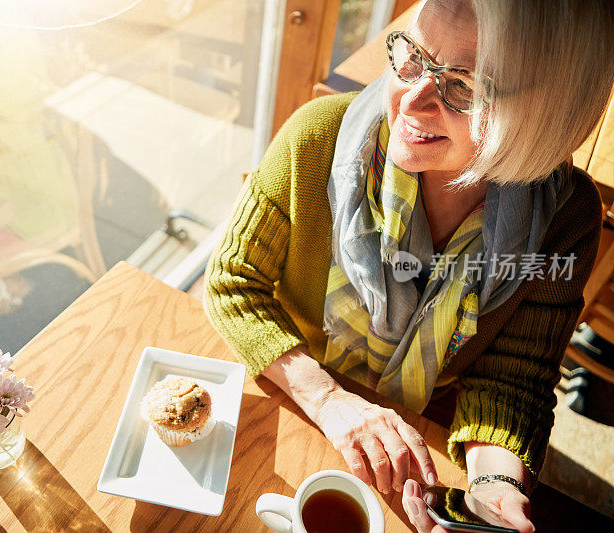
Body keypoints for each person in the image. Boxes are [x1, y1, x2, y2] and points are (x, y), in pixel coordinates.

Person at [204, 1, 614, 531]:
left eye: (464, 86)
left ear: (547, 111)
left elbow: (513, 379)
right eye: (412, 56)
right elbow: (232, 281)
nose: (413, 99)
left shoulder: (567, 217)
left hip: (420, 442)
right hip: (291, 396)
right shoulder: (317, 139)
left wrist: (493, 488)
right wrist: (330, 400)